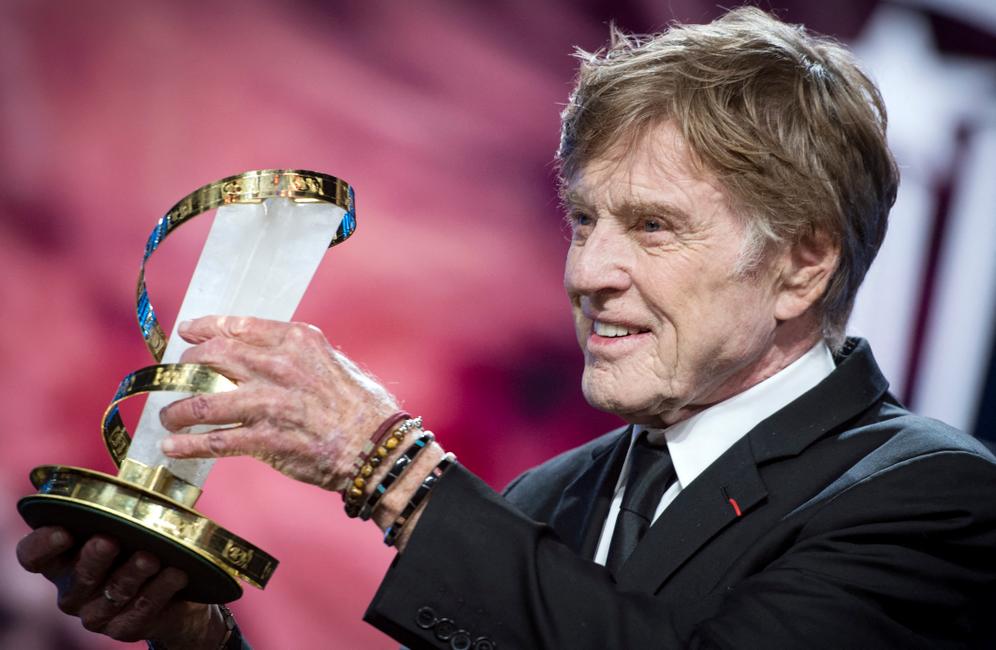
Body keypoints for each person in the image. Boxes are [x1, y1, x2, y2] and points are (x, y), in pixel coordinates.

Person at [17, 7, 996, 649]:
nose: (588, 272)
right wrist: (199, 634)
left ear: (802, 262)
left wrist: (390, 465)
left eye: (652, 226)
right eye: (584, 220)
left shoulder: (934, 498)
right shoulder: (552, 493)